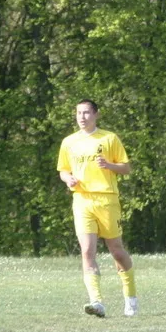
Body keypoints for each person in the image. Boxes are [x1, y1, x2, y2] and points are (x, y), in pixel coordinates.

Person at [57, 99, 138, 318]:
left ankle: (130, 297)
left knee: (117, 251)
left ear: (96, 115)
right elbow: (63, 170)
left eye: (86, 113)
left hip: (107, 199)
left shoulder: (109, 138)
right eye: (78, 113)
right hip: (82, 200)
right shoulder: (69, 142)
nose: (82, 117)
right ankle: (96, 301)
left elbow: (126, 168)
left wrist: (109, 165)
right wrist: (68, 179)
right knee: (87, 251)